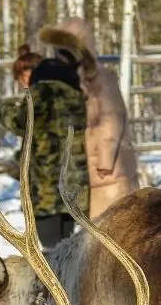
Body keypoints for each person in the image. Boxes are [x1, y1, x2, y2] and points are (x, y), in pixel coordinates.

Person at [37, 19, 140, 218]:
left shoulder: (99, 77)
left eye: (64, 50)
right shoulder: (76, 77)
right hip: (94, 171)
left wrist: (105, 161)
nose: (59, 55)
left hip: (110, 172)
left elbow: (112, 118)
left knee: (116, 224)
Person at [0, 44, 87, 248]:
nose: (22, 81)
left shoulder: (42, 92)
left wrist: (4, 110)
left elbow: (23, 123)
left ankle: (55, 280)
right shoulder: (76, 95)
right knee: (66, 246)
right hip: (73, 183)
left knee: (51, 249)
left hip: (46, 186)